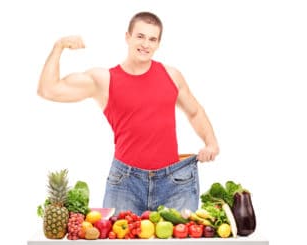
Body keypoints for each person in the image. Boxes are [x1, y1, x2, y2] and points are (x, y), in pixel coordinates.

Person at [37, 11, 219, 216]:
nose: (146, 44)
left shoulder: (172, 76)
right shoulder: (104, 80)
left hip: (175, 183)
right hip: (125, 183)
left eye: (152, 39)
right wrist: (58, 47)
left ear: (158, 44)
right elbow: (48, 90)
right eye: (140, 36)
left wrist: (210, 142)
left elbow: (194, 112)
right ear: (127, 37)